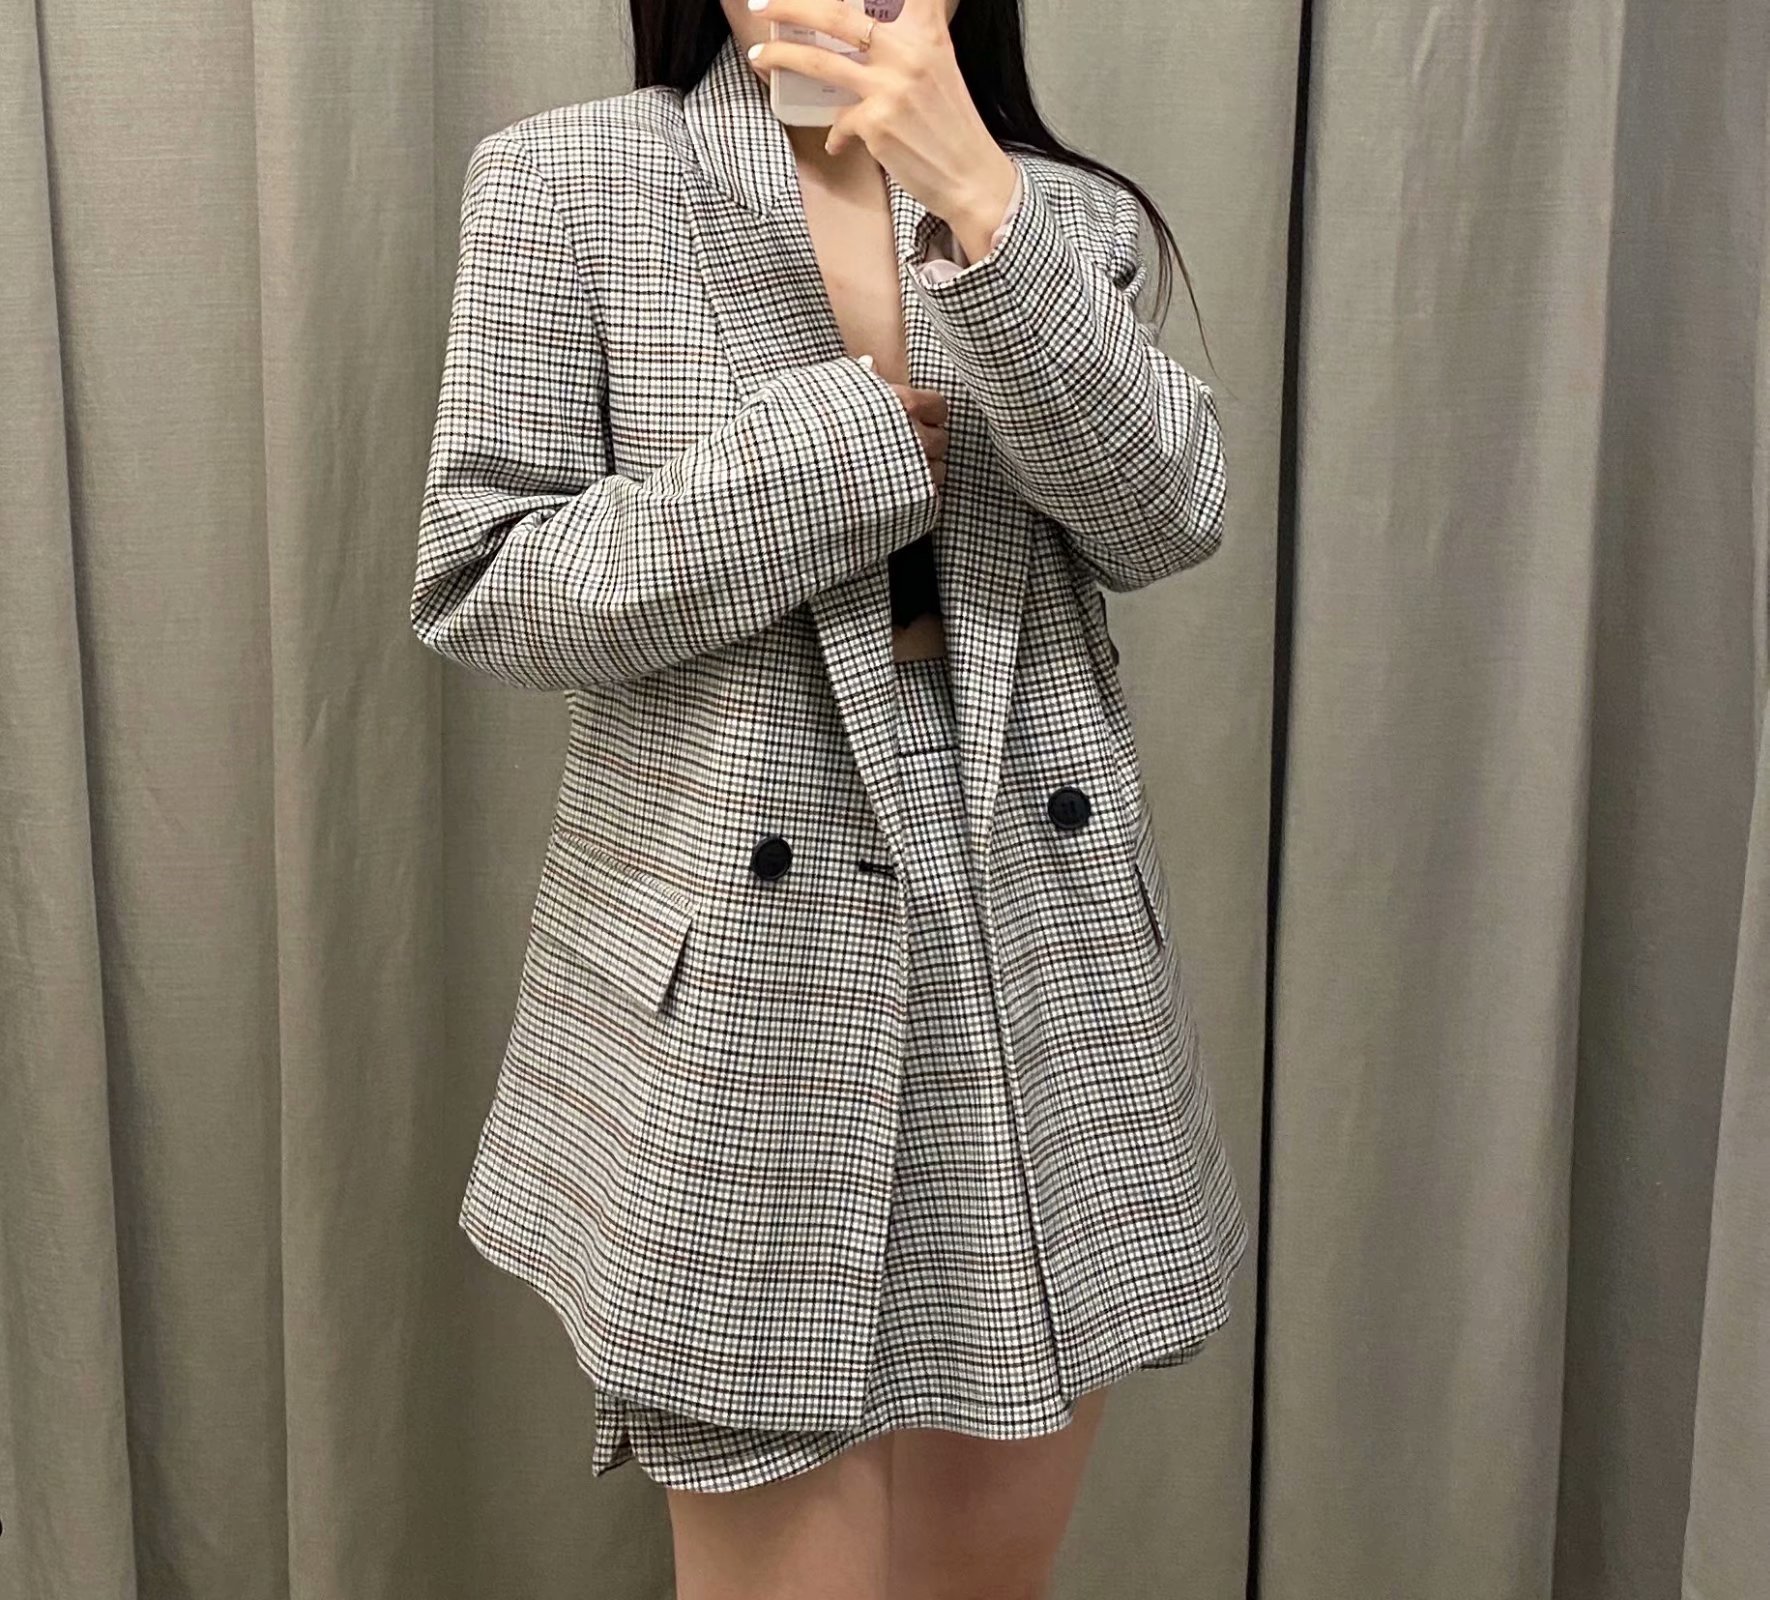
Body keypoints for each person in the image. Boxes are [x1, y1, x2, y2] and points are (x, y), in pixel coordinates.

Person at [411, 0, 1247, 1593]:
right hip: (741, 973)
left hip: (1037, 959)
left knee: (981, 1580)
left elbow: (1164, 514)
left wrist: (981, 204)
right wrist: (816, 465)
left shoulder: (1065, 218)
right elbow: (485, 587)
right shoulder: (569, 179)